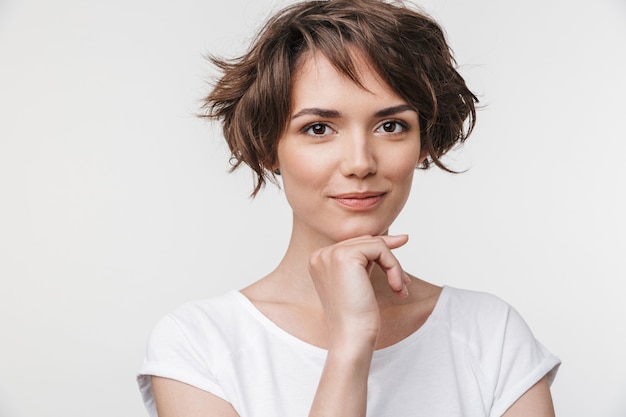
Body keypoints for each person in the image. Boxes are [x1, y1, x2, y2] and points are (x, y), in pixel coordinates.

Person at [137, 0, 560, 416]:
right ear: (268, 146)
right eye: (318, 128)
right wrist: (350, 345)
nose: (360, 162)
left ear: (423, 144)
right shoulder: (198, 345)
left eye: (390, 126)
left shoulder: (490, 335)